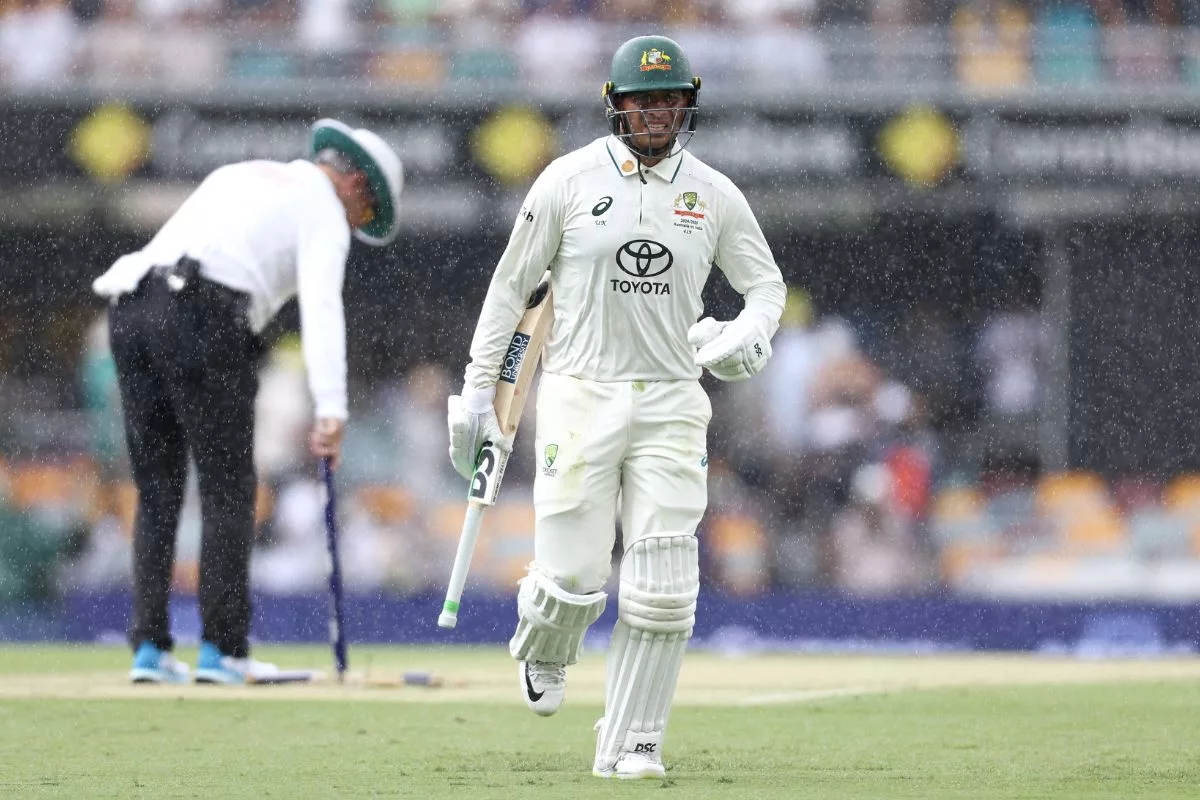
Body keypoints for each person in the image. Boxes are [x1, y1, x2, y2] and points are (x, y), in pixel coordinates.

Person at [447, 35, 785, 779]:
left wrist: (747, 333)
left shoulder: (715, 194)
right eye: (644, 100)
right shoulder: (566, 182)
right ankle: (545, 644)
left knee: (665, 590)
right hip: (578, 391)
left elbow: (766, 288)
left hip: (671, 398)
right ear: (616, 106)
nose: (658, 113)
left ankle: (634, 743)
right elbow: (512, 293)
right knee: (571, 579)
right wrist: (478, 394)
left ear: (686, 105)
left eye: (670, 100)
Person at [92, 119, 403, 685]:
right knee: (229, 487)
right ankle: (223, 650)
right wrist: (332, 409)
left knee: (158, 489)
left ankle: (150, 650)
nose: (357, 228)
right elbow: (322, 308)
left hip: (130, 309)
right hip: (205, 314)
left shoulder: (241, 173)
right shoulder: (325, 210)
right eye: (365, 215)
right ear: (357, 184)